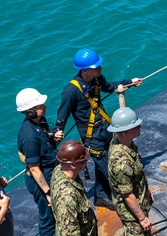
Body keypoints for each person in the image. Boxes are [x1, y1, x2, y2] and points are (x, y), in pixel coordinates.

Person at [55, 48, 143, 209]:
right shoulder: (71, 90)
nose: (100, 68)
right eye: (96, 67)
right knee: (107, 167)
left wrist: (130, 82)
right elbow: (63, 113)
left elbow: (109, 86)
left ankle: (101, 196)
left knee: (107, 162)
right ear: (85, 70)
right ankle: (118, 196)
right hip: (91, 137)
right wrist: (58, 129)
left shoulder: (96, 79)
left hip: (104, 128)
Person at [106, 107, 160, 236]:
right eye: (135, 125)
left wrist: (147, 192)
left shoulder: (128, 146)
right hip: (132, 210)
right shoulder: (120, 160)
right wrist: (142, 218)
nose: (139, 126)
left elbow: (136, 179)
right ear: (125, 131)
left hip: (137, 202)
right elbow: (127, 194)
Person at [16, 88, 64, 236]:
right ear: (30, 111)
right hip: (42, 179)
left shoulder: (40, 122)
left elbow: (46, 144)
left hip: (50, 171)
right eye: (39, 105)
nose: (44, 106)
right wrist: (48, 192)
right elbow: (35, 169)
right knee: (47, 218)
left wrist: (54, 137)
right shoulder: (29, 136)